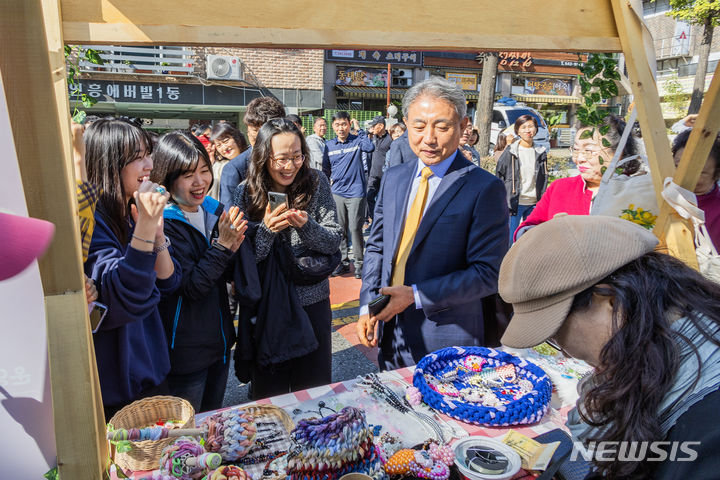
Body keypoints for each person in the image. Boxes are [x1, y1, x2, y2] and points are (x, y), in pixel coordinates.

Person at [499, 214, 720, 479]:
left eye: (554, 332)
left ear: (612, 301)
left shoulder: (706, 431)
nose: (563, 351)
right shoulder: (659, 351)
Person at [357, 77, 509, 370]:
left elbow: (488, 273)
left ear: (463, 127)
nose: (429, 137)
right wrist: (367, 304)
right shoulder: (395, 177)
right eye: (419, 126)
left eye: (442, 126)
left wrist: (415, 296)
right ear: (404, 123)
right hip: (391, 331)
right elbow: (377, 247)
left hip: (448, 337)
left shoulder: (483, 188)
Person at [233, 118, 341, 397]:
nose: (290, 166)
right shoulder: (245, 193)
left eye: (297, 156)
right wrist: (267, 230)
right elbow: (243, 262)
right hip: (268, 308)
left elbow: (333, 241)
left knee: (314, 392)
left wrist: (306, 225)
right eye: (281, 158)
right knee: (270, 396)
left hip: (312, 302)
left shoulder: (317, 182)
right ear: (263, 156)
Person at [83, 117, 180, 419]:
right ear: (109, 164)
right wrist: (146, 227)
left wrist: (157, 232)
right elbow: (126, 295)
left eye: (148, 154)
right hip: (118, 386)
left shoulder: (132, 210)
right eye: (137, 158)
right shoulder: (91, 221)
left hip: (152, 371)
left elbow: (169, 282)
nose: (149, 165)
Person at [150, 131, 248, 412]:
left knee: (212, 424)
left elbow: (224, 274)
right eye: (188, 175)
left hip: (219, 342)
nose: (200, 182)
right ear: (167, 177)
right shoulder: (163, 223)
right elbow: (190, 287)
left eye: (204, 171)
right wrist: (223, 246)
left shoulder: (213, 210)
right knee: (186, 434)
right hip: (184, 351)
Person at [514, 115, 639, 241]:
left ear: (618, 153)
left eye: (588, 150)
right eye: (576, 149)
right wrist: (543, 235)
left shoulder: (638, 193)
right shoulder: (560, 188)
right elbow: (528, 226)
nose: (579, 159)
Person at [323, 111, 375, 279]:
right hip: (337, 193)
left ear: (349, 124)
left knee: (355, 228)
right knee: (341, 230)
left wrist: (358, 129)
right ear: (333, 126)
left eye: (344, 124)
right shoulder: (329, 145)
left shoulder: (357, 141)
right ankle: (344, 263)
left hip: (356, 192)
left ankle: (359, 263)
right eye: (337, 125)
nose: (341, 128)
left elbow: (370, 147)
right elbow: (326, 169)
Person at [219, 97, 286, 207]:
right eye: (255, 130)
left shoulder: (295, 162)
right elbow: (231, 220)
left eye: (268, 130)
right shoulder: (234, 170)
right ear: (248, 129)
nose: (262, 136)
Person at [495, 115, 548, 244]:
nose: (528, 130)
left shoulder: (541, 151)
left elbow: (543, 176)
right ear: (517, 131)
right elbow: (499, 175)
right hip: (514, 203)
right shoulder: (511, 151)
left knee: (531, 241)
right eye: (523, 127)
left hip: (534, 203)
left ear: (536, 129)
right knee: (508, 240)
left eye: (531, 126)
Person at [672, 129, 720, 247]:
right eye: (677, 166)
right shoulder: (661, 192)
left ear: (716, 174)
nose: (682, 176)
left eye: (697, 172)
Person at [208, 123, 248, 201]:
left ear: (237, 138)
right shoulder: (219, 168)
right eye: (219, 145)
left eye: (226, 141)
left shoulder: (252, 158)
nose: (224, 148)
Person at [366, 116, 393, 222]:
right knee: (369, 197)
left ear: (381, 126)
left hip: (385, 175)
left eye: (374, 125)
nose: (372, 128)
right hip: (373, 174)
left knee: (384, 200)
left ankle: (384, 222)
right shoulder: (373, 138)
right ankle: (374, 220)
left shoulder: (390, 139)